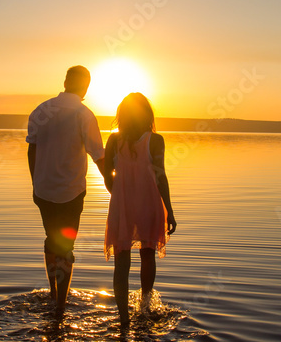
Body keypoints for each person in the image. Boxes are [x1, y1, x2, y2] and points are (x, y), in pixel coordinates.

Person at [27, 66, 106, 316]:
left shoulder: (41, 110)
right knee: (66, 245)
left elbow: (32, 149)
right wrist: (113, 184)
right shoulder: (85, 115)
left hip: (44, 190)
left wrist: (35, 182)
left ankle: (52, 293)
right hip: (71, 193)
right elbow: (99, 156)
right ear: (86, 87)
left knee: (52, 240)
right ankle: (60, 305)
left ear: (65, 81)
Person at [102, 93, 176, 325]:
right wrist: (170, 210)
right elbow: (161, 176)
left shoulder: (114, 140)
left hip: (122, 204)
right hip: (149, 201)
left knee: (121, 260)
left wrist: (118, 194)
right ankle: (145, 308)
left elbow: (106, 174)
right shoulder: (155, 140)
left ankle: (124, 318)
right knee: (147, 254)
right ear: (147, 114)